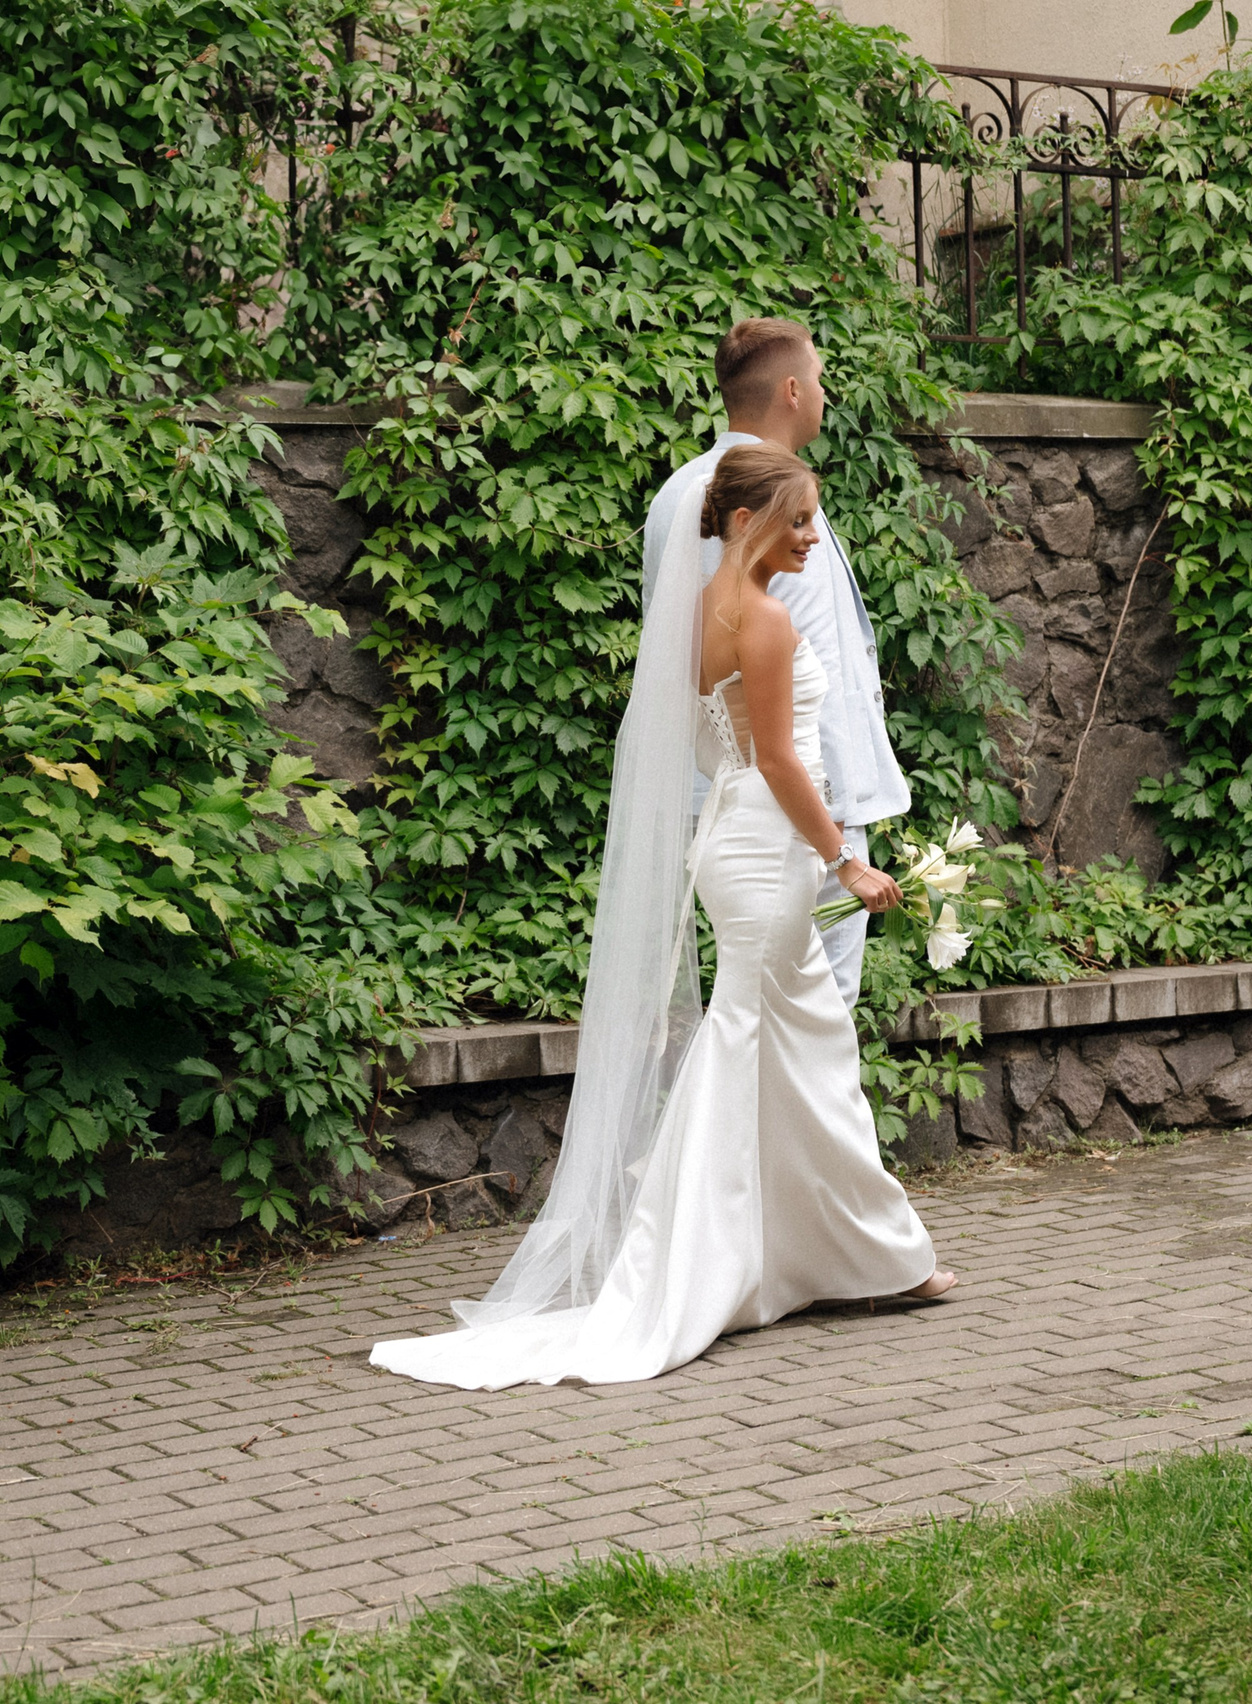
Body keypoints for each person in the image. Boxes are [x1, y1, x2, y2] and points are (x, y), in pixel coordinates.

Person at [370, 443, 956, 1391]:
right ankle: (733, 1264)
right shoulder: (760, 620)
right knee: (765, 1045)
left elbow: (714, 744)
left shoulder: (699, 611)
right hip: (765, 849)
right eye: (797, 520)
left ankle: (821, 1258)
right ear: (740, 523)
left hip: (738, 842)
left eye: (812, 519)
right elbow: (778, 760)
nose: (813, 537)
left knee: (800, 1055)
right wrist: (845, 859)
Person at [642, 317, 906, 1008]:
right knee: (814, 1015)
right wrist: (840, 842)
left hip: (728, 805)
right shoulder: (777, 508)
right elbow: (803, 671)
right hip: (802, 806)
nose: (824, 395)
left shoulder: (680, 495)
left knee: (758, 1016)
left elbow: (687, 669)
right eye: (819, 380)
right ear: (792, 389)